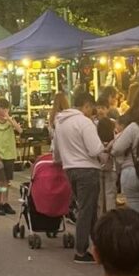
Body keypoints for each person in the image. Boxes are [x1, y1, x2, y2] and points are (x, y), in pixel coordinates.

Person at [52, 93, 105, 263]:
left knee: (86, 209)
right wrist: (104, 150)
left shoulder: (60, 123)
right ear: (87, 105)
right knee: (86, 210)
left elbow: (57, 152)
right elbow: (95, 149)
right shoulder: (84, 122)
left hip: (70, 169)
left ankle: (98, 247)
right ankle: (81, 250)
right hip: (88, 169)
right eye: (91, 108)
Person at [0, 98, 21, 216]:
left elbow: (20, 130)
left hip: (10, 153)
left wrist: (10, 120)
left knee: (7, 181)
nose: (4, 111)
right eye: (2, 108)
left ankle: (5, 202)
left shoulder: (10, 120)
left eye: (6, 108)